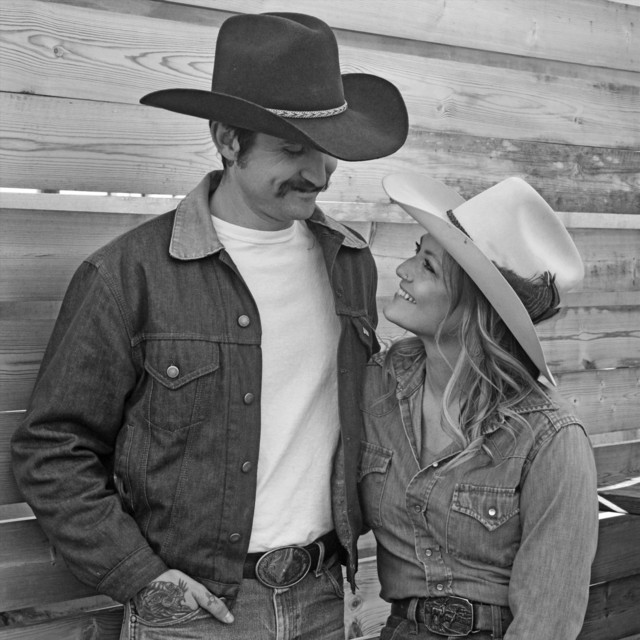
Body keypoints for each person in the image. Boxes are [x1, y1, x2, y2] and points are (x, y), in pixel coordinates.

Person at [11, 12, 408, 640]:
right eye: (291, 149)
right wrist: (140, 576)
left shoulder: (350, 263)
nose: (319, 172)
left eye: (326, 147)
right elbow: (53, 447)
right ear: (227, 140)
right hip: (193, 613)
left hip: (322, 597)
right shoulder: (128, 275)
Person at [358, 174, 599, 640]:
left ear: (472, 305)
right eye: (416, 251)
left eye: (428, 266)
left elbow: (547, 622)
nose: (403, 269)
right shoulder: (378, 386)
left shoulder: (550, 438)